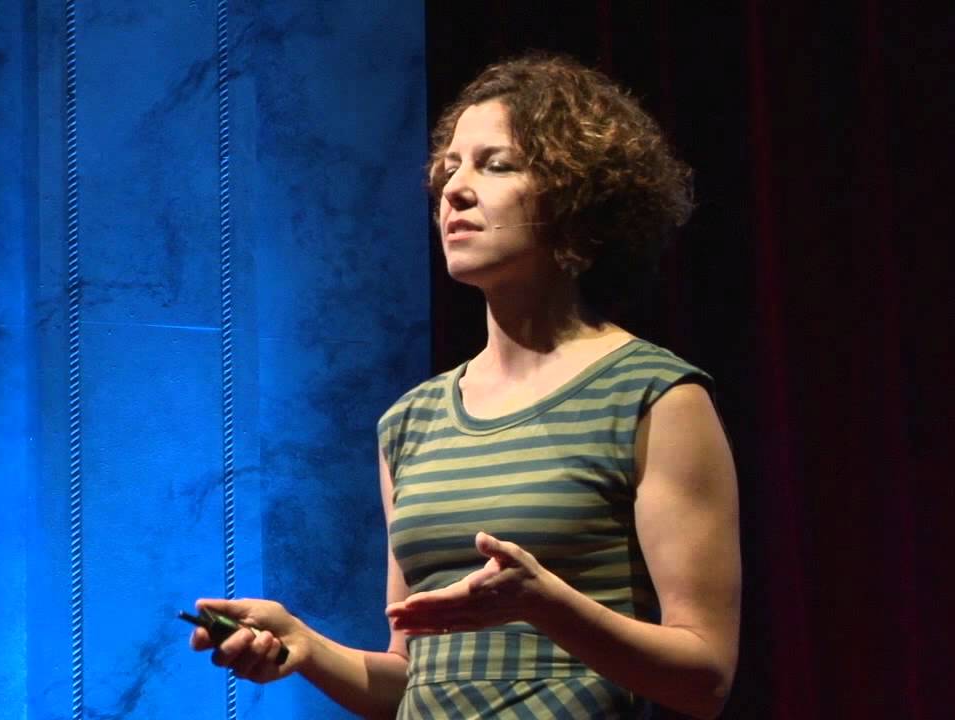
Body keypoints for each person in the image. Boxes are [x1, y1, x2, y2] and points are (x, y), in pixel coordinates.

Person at [190, 52, 741, 720]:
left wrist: (546, 605)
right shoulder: (411, 421)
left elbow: (704, 678)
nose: (454, 189)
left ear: (576, 196)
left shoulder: (654, 396)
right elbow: (409, 677)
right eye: (449, 168)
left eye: (495, 165)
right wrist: (306, 647)